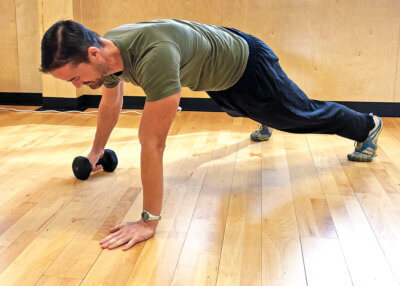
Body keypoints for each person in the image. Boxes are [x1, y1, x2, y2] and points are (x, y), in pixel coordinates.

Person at [40, 19, 383, 251]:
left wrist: (148, 223)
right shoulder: (105, 55)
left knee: (299, 116)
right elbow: (111, 101)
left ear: (93, 53)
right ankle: (261, 116)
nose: (75, 87)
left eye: (74, 77)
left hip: (247, 66)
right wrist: (95, 152)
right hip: (217, 69)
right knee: (240, 109)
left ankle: (365, 125)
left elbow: (152, 144)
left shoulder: (153, 57)